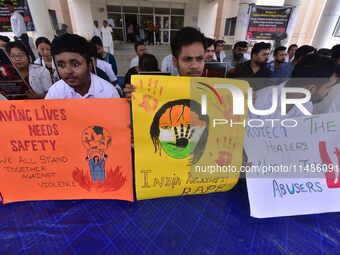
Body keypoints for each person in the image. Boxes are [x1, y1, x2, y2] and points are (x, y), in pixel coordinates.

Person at [123, 27, 207, 99]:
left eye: (200, 58)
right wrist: (135, 100)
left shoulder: (212, 93)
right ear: (175, 61)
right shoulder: (159, 91)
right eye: (187, 59)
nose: (195, 66)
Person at [250, 54, 338, 119]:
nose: (329, 92)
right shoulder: (259, 101)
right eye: (328, 87)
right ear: (311, 89)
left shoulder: (307, 105)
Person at [45, 33, 120, 99]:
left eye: (75, 64)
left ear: (90, 65)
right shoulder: (55, 92)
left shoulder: (109, 94)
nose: (68, 71)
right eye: (61, 65)